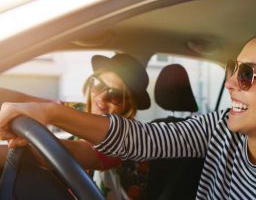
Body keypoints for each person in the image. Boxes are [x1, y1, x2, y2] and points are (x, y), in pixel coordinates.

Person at [1, 15, 256, 199]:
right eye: (233, 67)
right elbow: (145, 139)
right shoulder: (221, 127)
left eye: (249, 74)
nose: (230, 83)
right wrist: (47, 113)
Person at [0, 53, 151, 200]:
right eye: (99, 85)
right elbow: (23, 100)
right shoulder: (78, 109)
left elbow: (73, 151)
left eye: (115, 95)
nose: (101, 98)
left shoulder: (126, 139)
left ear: (128, 106)